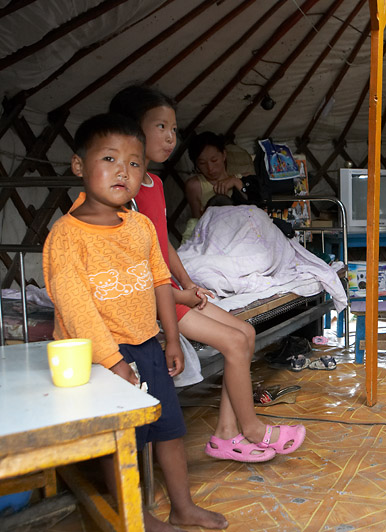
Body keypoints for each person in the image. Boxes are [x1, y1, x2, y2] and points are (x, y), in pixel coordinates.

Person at [42, 113, 229, 531]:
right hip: (99, 359)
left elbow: (161, 281)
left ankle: (183, 507)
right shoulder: (67, 236)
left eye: (134, 163)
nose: (122, 171)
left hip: (147, 346)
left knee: (169, 430)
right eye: (109, 159)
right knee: (123, 443)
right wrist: (113, 363)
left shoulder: (140, 226)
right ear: (79, 166)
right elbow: (76, 310)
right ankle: (136, 517)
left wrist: (173, 339)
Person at [109, 85, 305, 462]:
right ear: (132, 130)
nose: (170, 137)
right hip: (151, 299)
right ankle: (254, 430)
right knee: (233, 343)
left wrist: (186, 282)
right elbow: (134, 263)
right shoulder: (125, 191)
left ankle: (226, 435)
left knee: (245, 332)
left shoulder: (151, 183)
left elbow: (163, 244)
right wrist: (178, 294)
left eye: (173, 129)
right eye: (160, 127)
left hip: (169, 289)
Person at [185, 131, 245, 219]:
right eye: (202, 163)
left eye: (214, 160)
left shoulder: (242, 179)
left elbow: (256, 208)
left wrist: (235, 182)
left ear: (224, 155)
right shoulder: (195, 186)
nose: (210, 168)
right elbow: (197, 222)